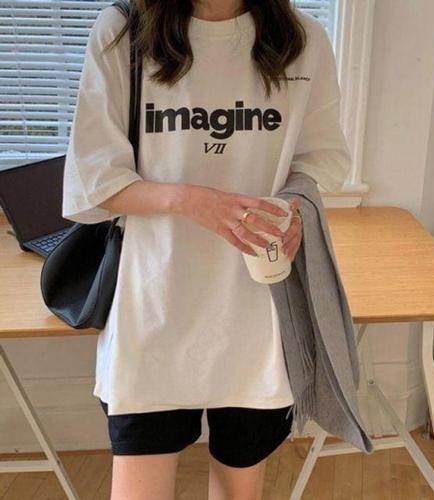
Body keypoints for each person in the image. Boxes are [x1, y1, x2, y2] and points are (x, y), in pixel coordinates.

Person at [62, 0, 352, 498]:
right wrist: (196, 201)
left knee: (239, 487)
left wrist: (296, 209)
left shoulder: (301, 40)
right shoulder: (125, 31)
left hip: (257, 313)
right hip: (153, 309)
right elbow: (95, 181)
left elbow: (321, 159)